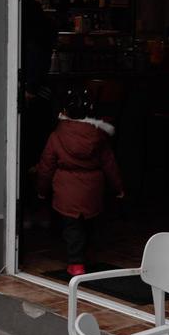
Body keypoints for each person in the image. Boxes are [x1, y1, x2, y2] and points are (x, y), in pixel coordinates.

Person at [35, 92, 125, 277]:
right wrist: (118, 188)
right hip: (92, 188)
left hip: (66, 189)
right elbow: (110, 164)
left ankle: (76, 263)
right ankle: (87, 255)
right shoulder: (98, 135)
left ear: (65, 112)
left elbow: (46, 165)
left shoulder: (57, 135)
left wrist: (41, 190)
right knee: (89, 224)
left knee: (72, 227)